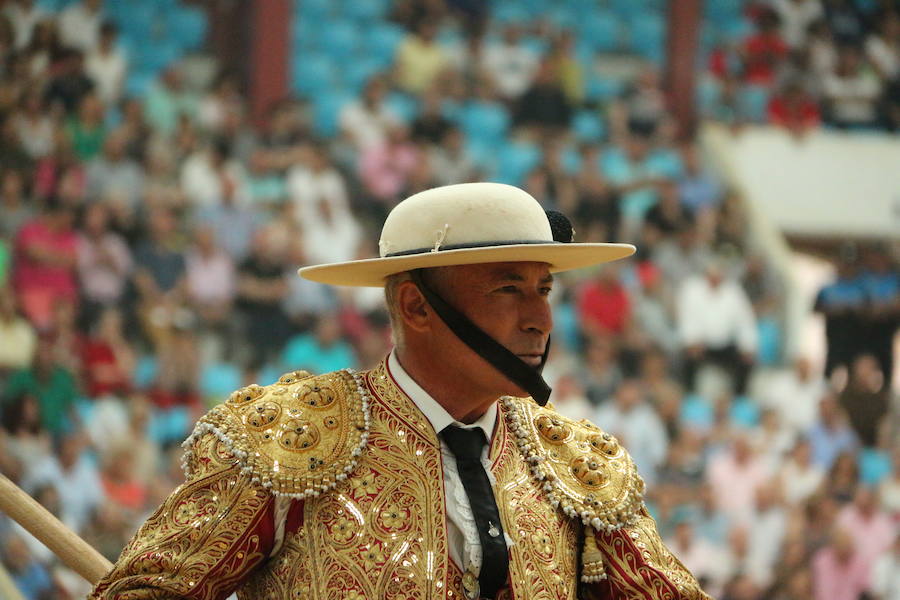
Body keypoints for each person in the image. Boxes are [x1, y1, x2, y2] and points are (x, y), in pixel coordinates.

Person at [89, 183, 709, 599]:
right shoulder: (289, 440)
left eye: (543, 290)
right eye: (506, 290)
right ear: (416, 306)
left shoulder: (572, 462)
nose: (540, 320)